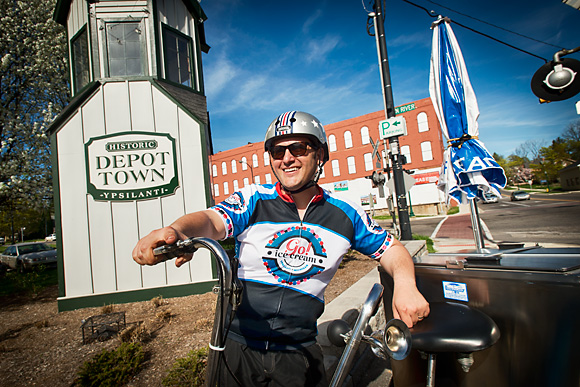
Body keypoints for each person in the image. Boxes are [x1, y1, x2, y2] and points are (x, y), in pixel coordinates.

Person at [133, 111, 430, 386]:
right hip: (237, 347)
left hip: (297, 353)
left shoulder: (346, 214)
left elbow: (391, 249)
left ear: (320, 155)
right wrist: (178, 230)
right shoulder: (254, 199)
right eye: (278, 151)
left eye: (298, 148)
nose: (287, 158)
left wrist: (405, 284)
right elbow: (211, 220)